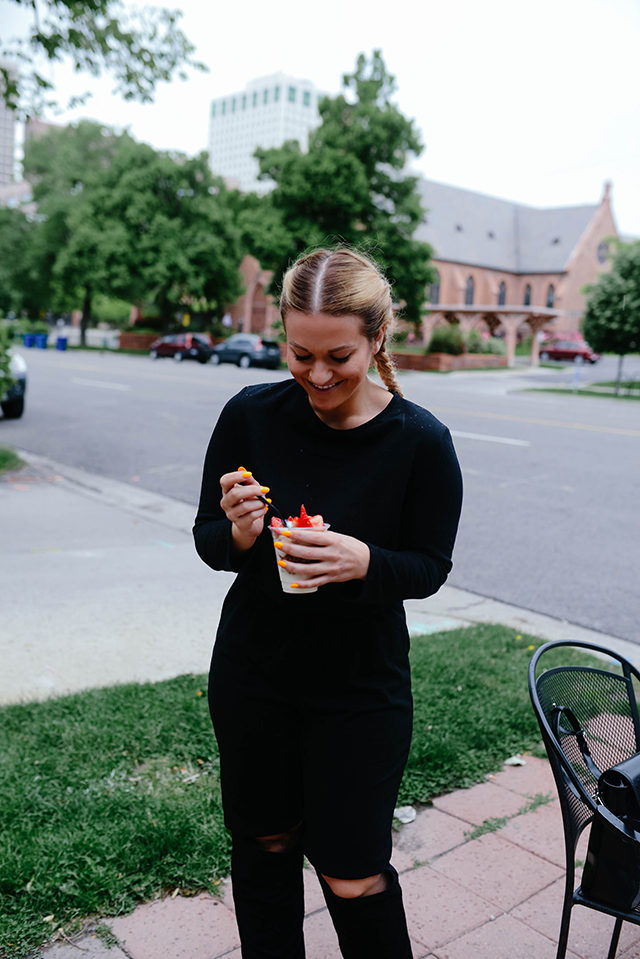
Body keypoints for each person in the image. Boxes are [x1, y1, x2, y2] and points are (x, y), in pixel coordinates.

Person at [193, 247, 463, 958]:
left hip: (359, 688)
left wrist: (366, 559)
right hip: (255, 673)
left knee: (352, 873)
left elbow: (430, 565)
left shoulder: (422, 442)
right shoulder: (249, 414)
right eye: (299, 352)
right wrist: (242, 533)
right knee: (265, 843)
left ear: (378, 337)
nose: (317, 374)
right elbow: (207, 537)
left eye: (338, 355)